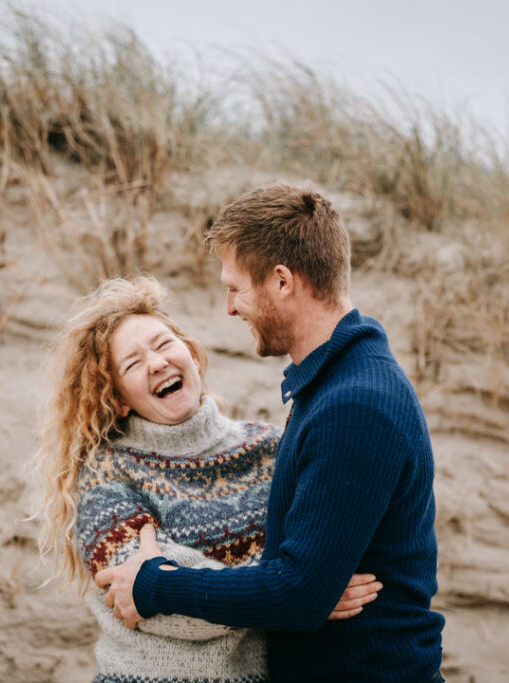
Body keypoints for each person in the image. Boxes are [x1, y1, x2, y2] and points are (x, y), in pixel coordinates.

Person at [96, 185, 446, 681]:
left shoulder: (355, 406)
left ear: (282, 281)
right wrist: (308, 588)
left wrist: (156, 585)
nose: (230, 308)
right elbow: (301, 583)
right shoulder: (338, 383)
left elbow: (297, 595)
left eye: (235, 288)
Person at [35, 276, 381, 682]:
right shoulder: (107, 472)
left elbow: (321, 552)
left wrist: (300, 588)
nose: (157, 362)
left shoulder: (269, 447)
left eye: (164, 344)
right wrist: (300, 594)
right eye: (132, 364)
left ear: (193, 356)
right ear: (117, 399)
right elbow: (154, 606)